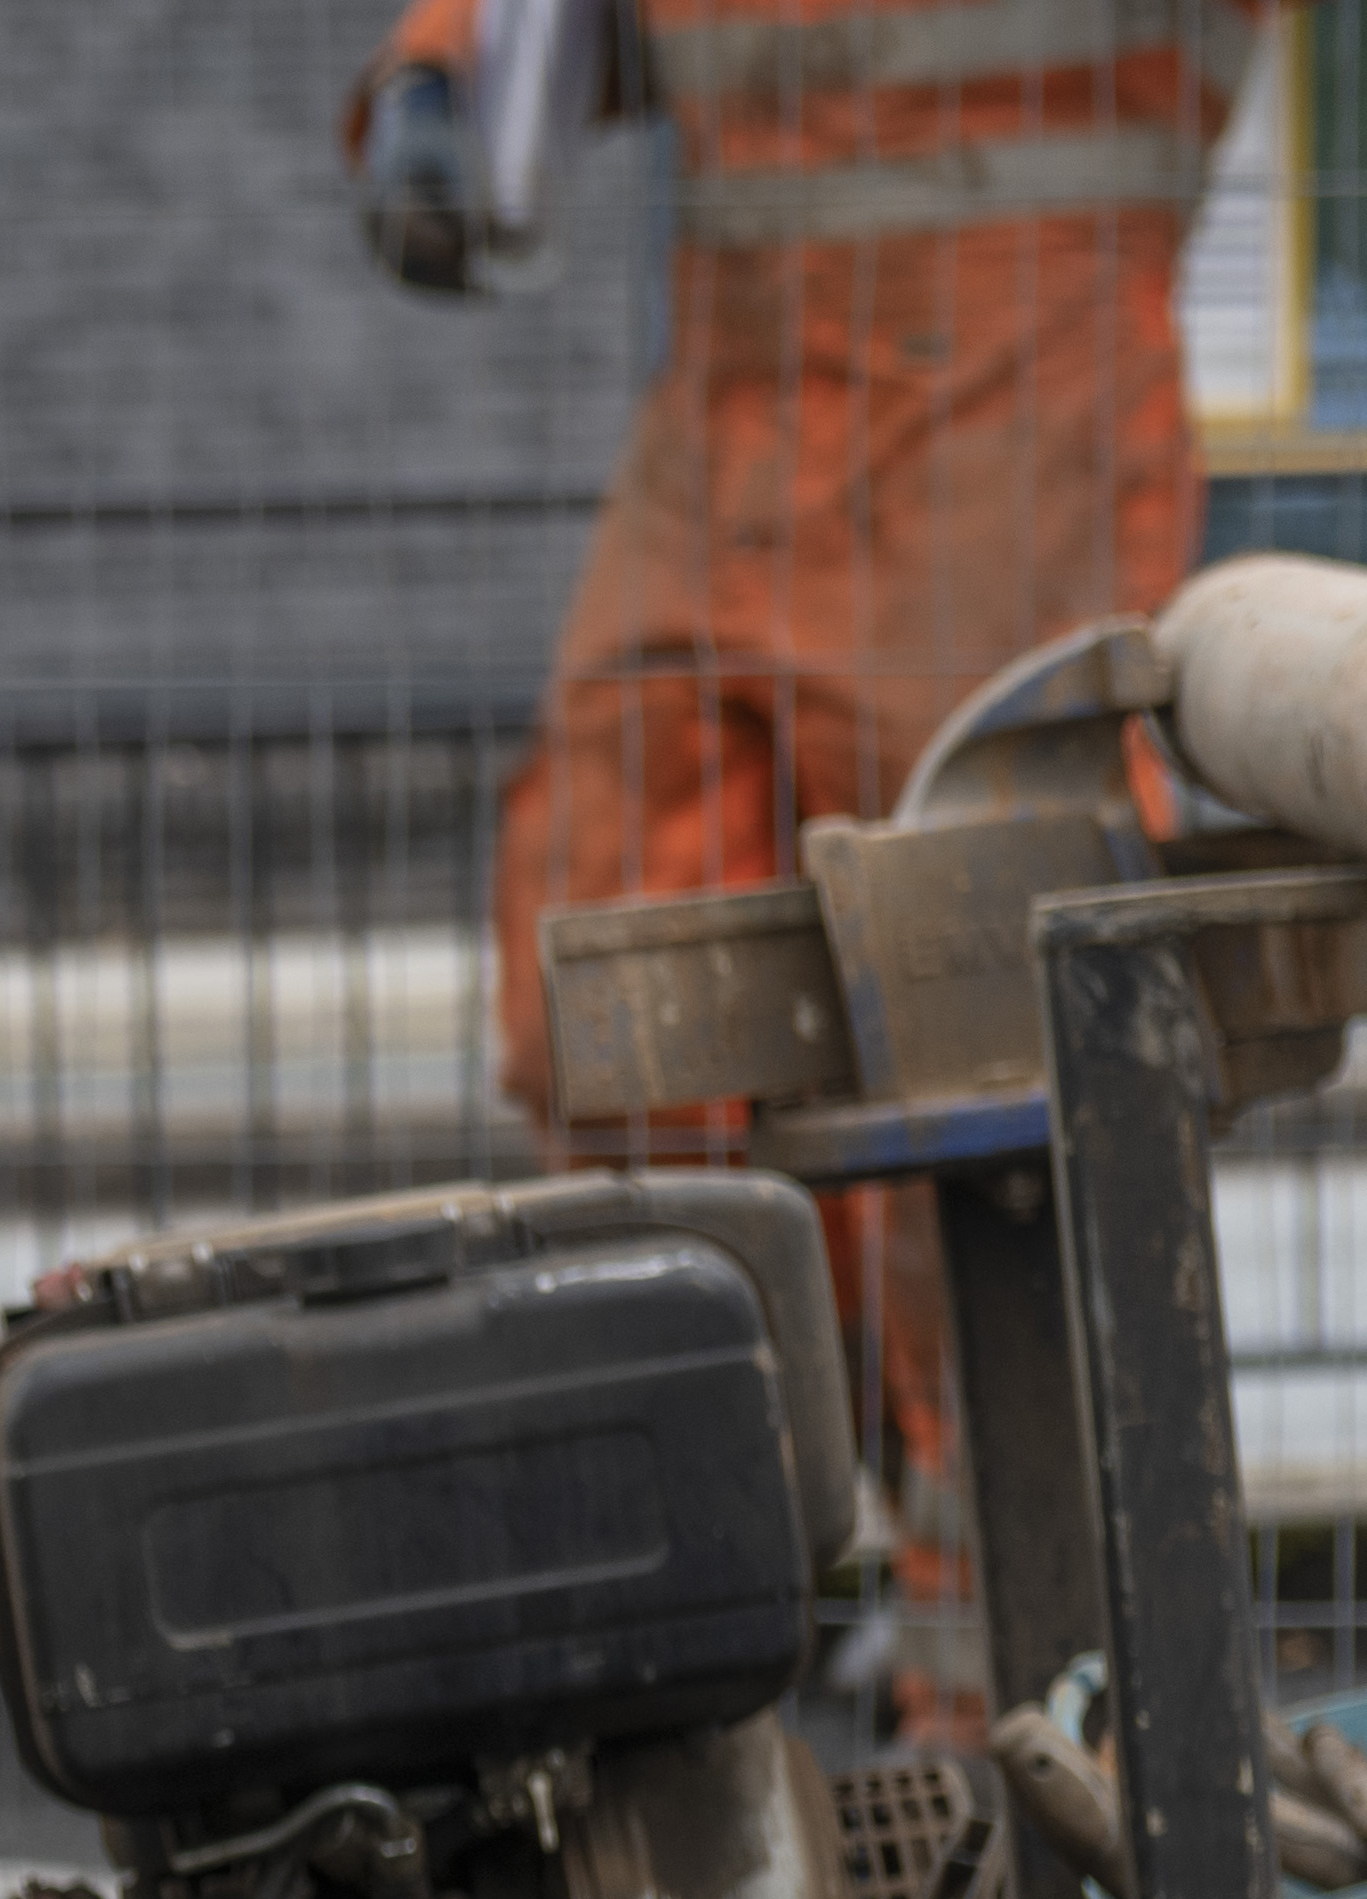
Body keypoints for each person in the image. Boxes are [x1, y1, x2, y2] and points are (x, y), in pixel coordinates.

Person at [358, 0, 1263, 1691]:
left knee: (991, 1044)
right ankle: (733, 1553)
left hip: (1005, 434)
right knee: (605, 971)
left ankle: (1020, 1693)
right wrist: (440, 74)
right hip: (733, 442)